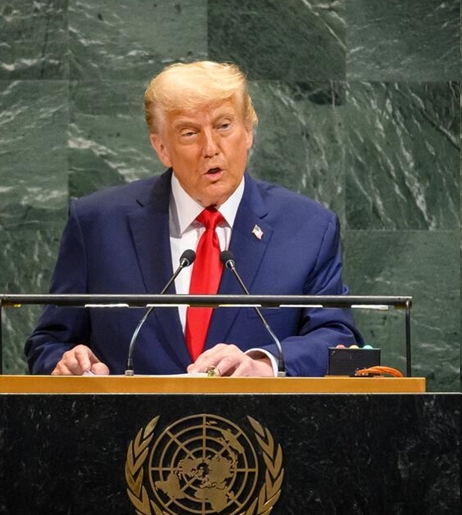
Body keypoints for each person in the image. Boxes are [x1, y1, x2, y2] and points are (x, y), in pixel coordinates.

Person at [26, 61, 361, 377]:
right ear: (162, 148)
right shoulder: (97, 224)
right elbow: (50, 342)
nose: (211, 147)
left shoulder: (309, 228)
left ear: (248, 132)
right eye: (189, 133)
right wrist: (66, 364)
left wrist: (265, 363)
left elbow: (336, 337)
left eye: (224, 126)